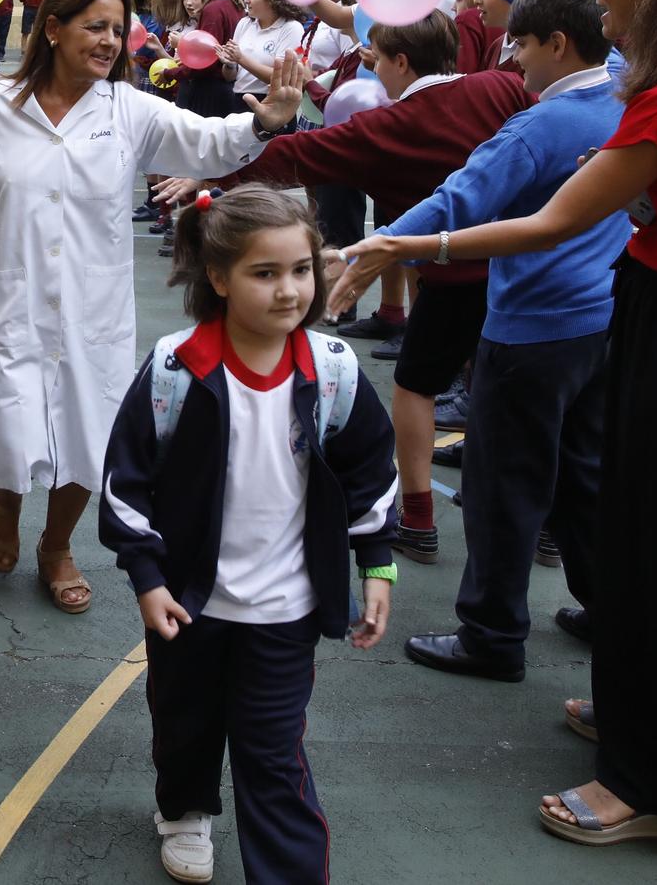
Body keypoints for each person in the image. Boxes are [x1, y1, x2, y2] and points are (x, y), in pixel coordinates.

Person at [338, 0, 657, 848]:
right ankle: (637, 714)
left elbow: (556, 219)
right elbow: (586, 33)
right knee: (636, 539)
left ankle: (650, 783)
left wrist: (403, 249)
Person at [0, 0, 278, 614]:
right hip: (16, 297)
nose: (108, 41)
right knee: (15, 424)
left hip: (94, 306)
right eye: (94, 27)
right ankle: (5, 504)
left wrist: (263, 124)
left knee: (86, 432)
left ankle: (57, 545)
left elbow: (206, 142)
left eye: (117, 29)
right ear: (53, 28)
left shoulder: (128, 110)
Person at [158, 13, 536, 566]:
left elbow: (295, 156)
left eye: (377, 57)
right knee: (515, 401)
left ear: (400, 62)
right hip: (520, 273)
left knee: (416, 389)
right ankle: (549, 527)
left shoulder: (387, 126)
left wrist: (213, 174)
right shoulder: (503, 86)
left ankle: (419, 518)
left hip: (451, 276)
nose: (372, 67)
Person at [101, 185, 397, 885]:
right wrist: (147, 576)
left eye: (301, 269)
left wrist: (375, 563)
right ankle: (185, 809)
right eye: (265, 273)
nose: (289, 289)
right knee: (185, 725)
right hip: (189, 605)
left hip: (284, 609)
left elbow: (370, 468)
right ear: (219, 276)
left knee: (273, 756)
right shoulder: (177, 369)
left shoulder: (333, 372)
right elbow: (126, 481)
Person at [348, 0, 629, 684]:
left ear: (559, 45)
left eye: (523, 44)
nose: (511, 59)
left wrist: (373, 246)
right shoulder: (624, 92)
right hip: (599, 320)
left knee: (503, 483)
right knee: (582, 476)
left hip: (532, 327)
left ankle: (492, 633)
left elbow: (459, 199)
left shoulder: (539, 124)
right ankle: (608, 607)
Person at [171, 0, 245, 117]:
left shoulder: (213, 9)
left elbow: (205, 60)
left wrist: (171, 73)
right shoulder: (236, 3)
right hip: (227, 88)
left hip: (208, 91)